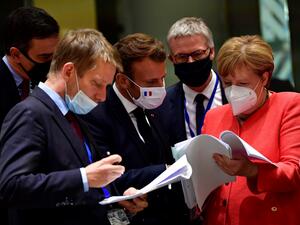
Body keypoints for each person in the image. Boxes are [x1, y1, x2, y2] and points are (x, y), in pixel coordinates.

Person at [0, 29, 148, 225]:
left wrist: (119, 199)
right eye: (97, 84)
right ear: (69, 71)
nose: (102, 96)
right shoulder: (30, 113)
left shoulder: (74, 114)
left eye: (106, 86)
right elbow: (11, 187)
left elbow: (87, 187)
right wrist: (84, 177)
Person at [83, 33, 190, 225]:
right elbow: (107, 178)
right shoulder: (96, 114)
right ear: (123, 81)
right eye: (151, 82)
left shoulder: (161, 104)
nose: (160, 89)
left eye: (163, 79)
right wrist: (167, 171)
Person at [201, 35, 300, 225]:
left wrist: (252, 170)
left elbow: (294, 172)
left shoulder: (289, 106)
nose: (233, 91)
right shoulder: (214, 116)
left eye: (242, 84)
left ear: (264, 77)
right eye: (228, 83)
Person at [164, 17, 227, 145]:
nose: (191, 62)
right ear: (172, 59)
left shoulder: (233, 91)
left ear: (212, 51)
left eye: (198, 54)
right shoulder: (162, 102)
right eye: (182, 57)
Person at [0, 6, 59, 127]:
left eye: (55, 54)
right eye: (44, 57)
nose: (52, 62)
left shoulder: (52, 82)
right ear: (15, 54)